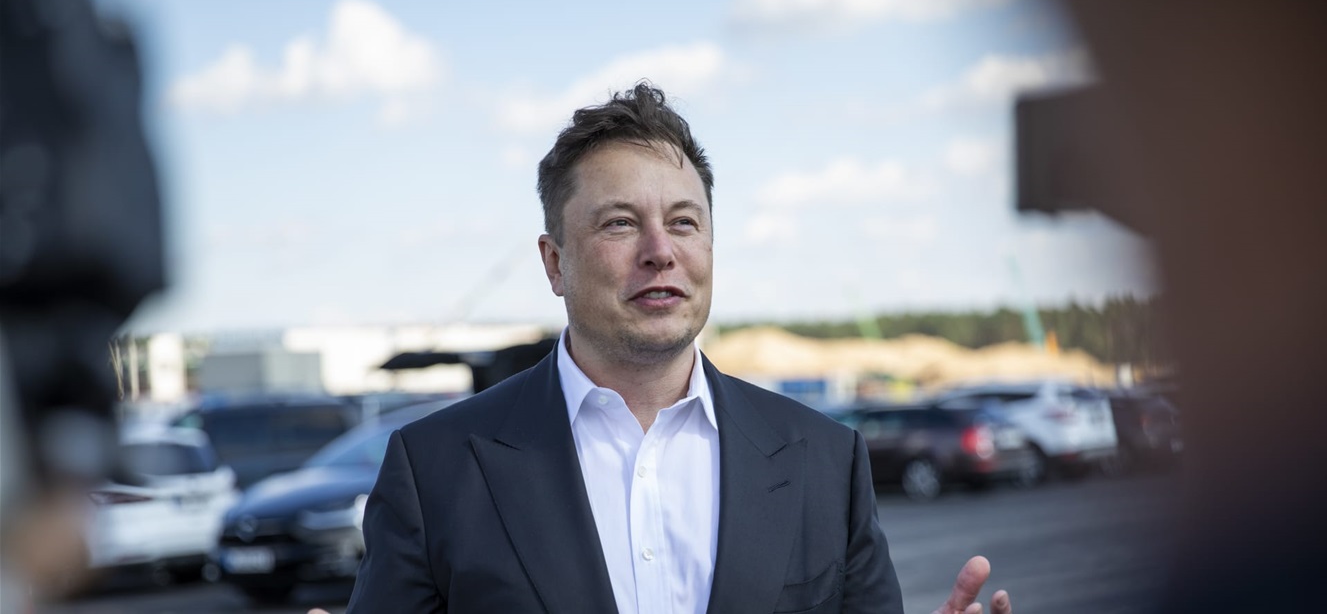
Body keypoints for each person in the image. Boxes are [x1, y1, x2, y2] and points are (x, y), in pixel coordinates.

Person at [334, 83, 1013, 614]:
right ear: (554, 263)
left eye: (684, 222)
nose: (660, 251)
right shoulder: (436, 470)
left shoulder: (827, 462)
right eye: (620, 223)